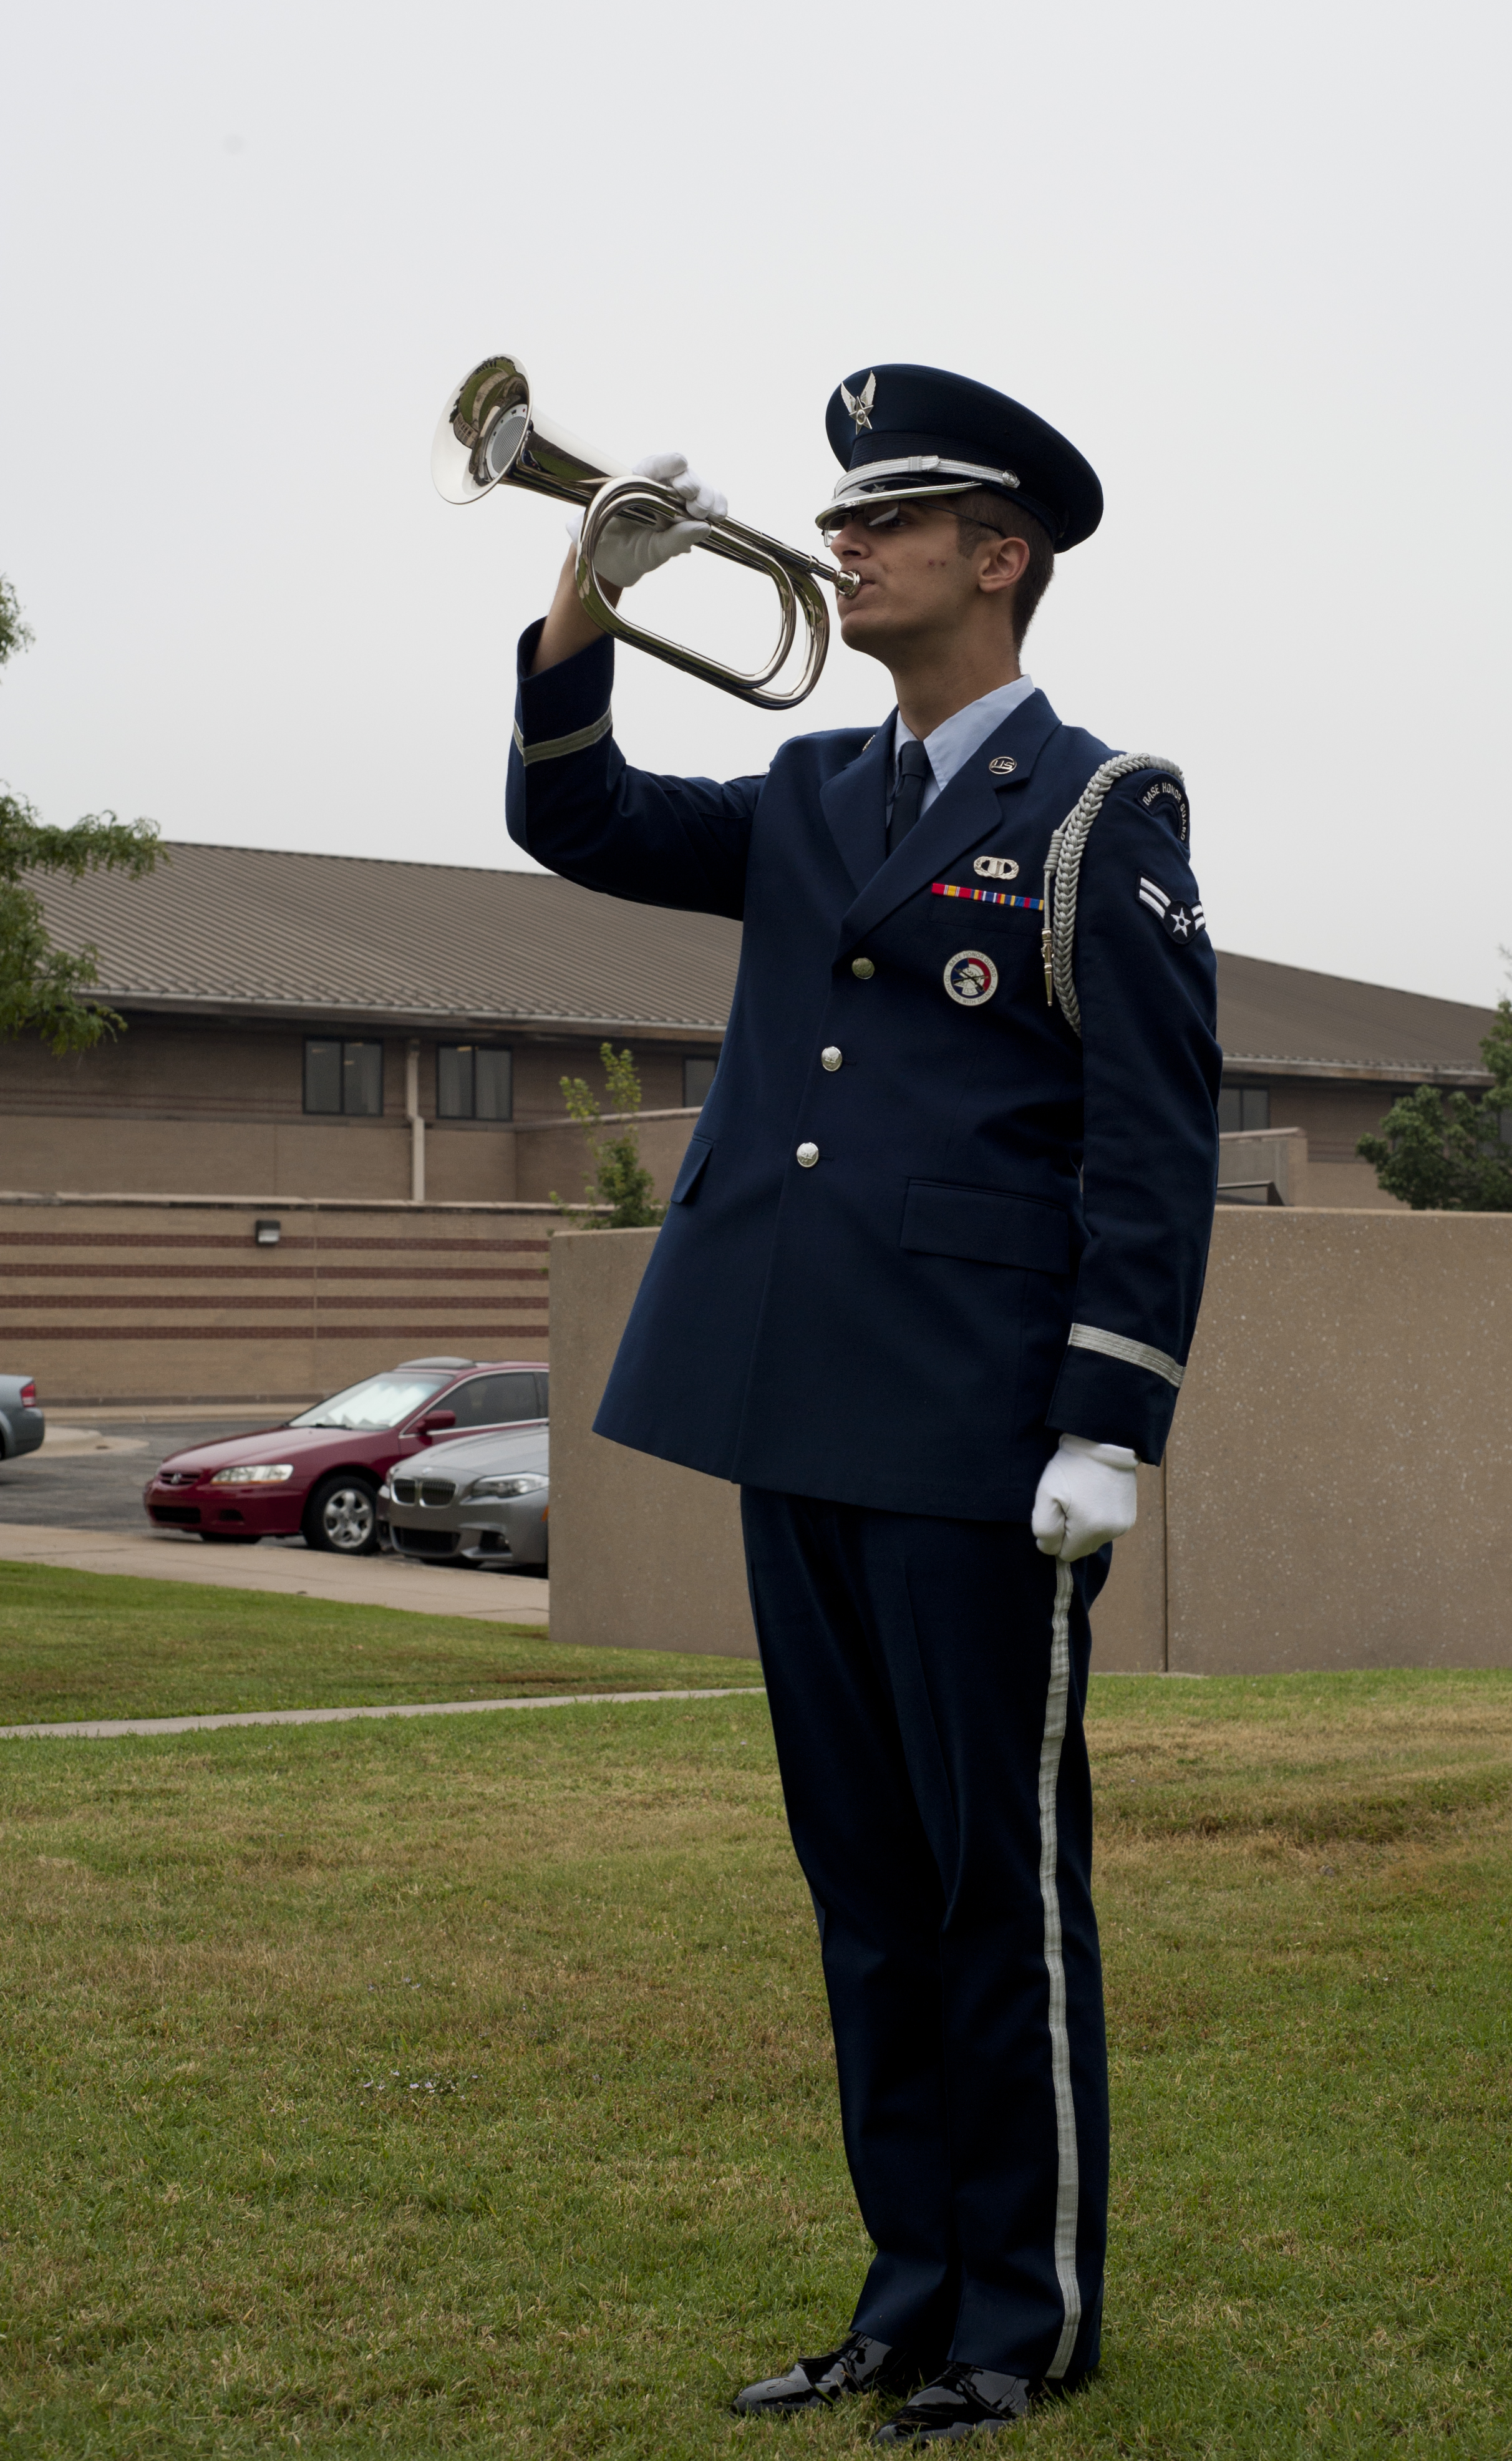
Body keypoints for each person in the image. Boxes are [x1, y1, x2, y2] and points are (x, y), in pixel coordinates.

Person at [507, 366, 1220, 2442]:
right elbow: (578, 817)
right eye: (842, 514)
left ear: (1001, 557)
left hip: (983, 1431)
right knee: (862, 1882)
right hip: (798, 1399)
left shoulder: (1105, 812)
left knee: (996, 1884)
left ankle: (1030, 2312)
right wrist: (583, 590)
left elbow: (1150, 1143)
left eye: (894, 517)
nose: (846, 541)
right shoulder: (817, 793)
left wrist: (1114, 1411)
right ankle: (907, 2297)